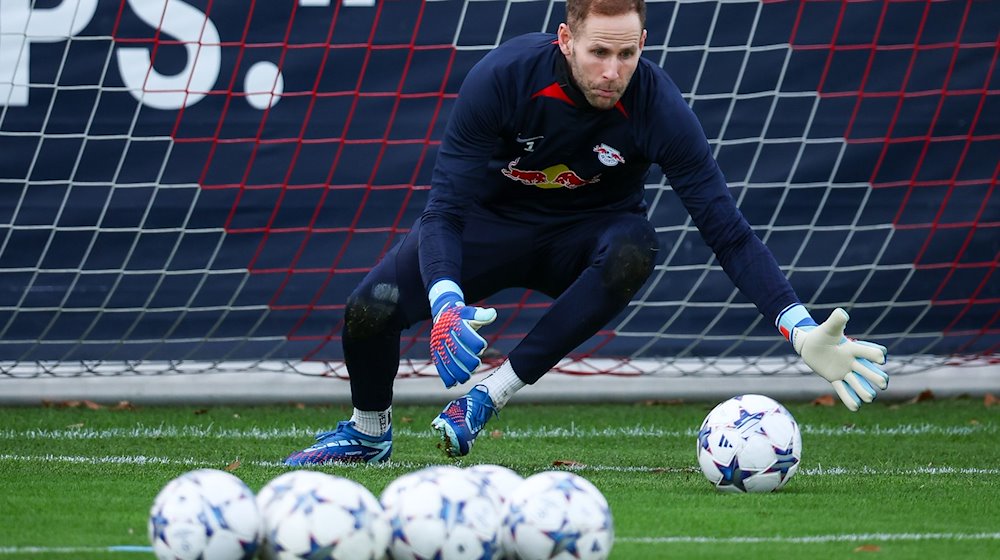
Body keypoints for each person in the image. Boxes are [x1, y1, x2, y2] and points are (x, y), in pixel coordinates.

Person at [283, 0, 889, 466]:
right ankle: (368, 434)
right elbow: (443, 211)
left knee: (635, 248)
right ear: (566, 39)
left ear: (643, 43)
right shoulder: (503, 78)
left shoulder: (660, 108)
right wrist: (445, 299)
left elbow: (726, 233)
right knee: (370, 308)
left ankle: (488, 396)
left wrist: (800, 326)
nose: (613, 70)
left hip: (585, 239)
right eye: (600, 52)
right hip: (491, 228)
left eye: (627, 54)